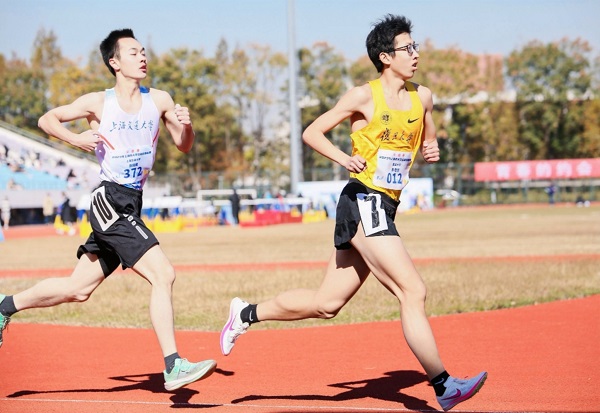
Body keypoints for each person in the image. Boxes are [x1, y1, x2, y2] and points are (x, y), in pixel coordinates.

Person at [220, 15, 486, 411]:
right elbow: (312, 132)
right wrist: (344, 158)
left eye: (415, 47)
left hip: (386, 205)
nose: (415, 54)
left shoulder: (423, 97)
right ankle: (444, 385)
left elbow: (427, 136)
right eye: (407, 48)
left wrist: (431, 149)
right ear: (385, 57)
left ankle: (245, 313)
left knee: (326, 304)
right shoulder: (363, 96)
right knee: (413, 290)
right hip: (363, 200)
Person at [0, 29, 216, 391]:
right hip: (109, 201)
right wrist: (75, 139)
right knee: (163, 274)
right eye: (133, 52)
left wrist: (188, 126)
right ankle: (173, 365)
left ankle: (5, 306)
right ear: (114, 62)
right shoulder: (98, 102)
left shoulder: (159, 99)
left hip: (132, 201)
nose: (142, 57)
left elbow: (183, 145)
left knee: (78, 289)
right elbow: (47, 120)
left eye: (143, 51)